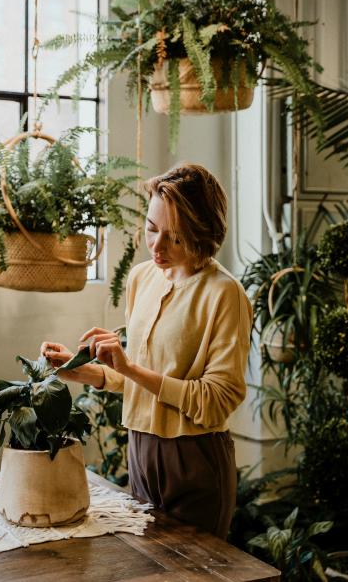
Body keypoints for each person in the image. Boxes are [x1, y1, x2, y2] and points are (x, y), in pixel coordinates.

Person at [41, 163, 252, 540]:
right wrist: (81, 371)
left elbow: (219, 399)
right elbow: (134, 379)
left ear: (203, 234)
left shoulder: (224, 294)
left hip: (196, 460)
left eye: (175, 238)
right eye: (152, 230)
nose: (156, 247)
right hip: (140, 450)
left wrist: (131, 368)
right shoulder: (141, 278)